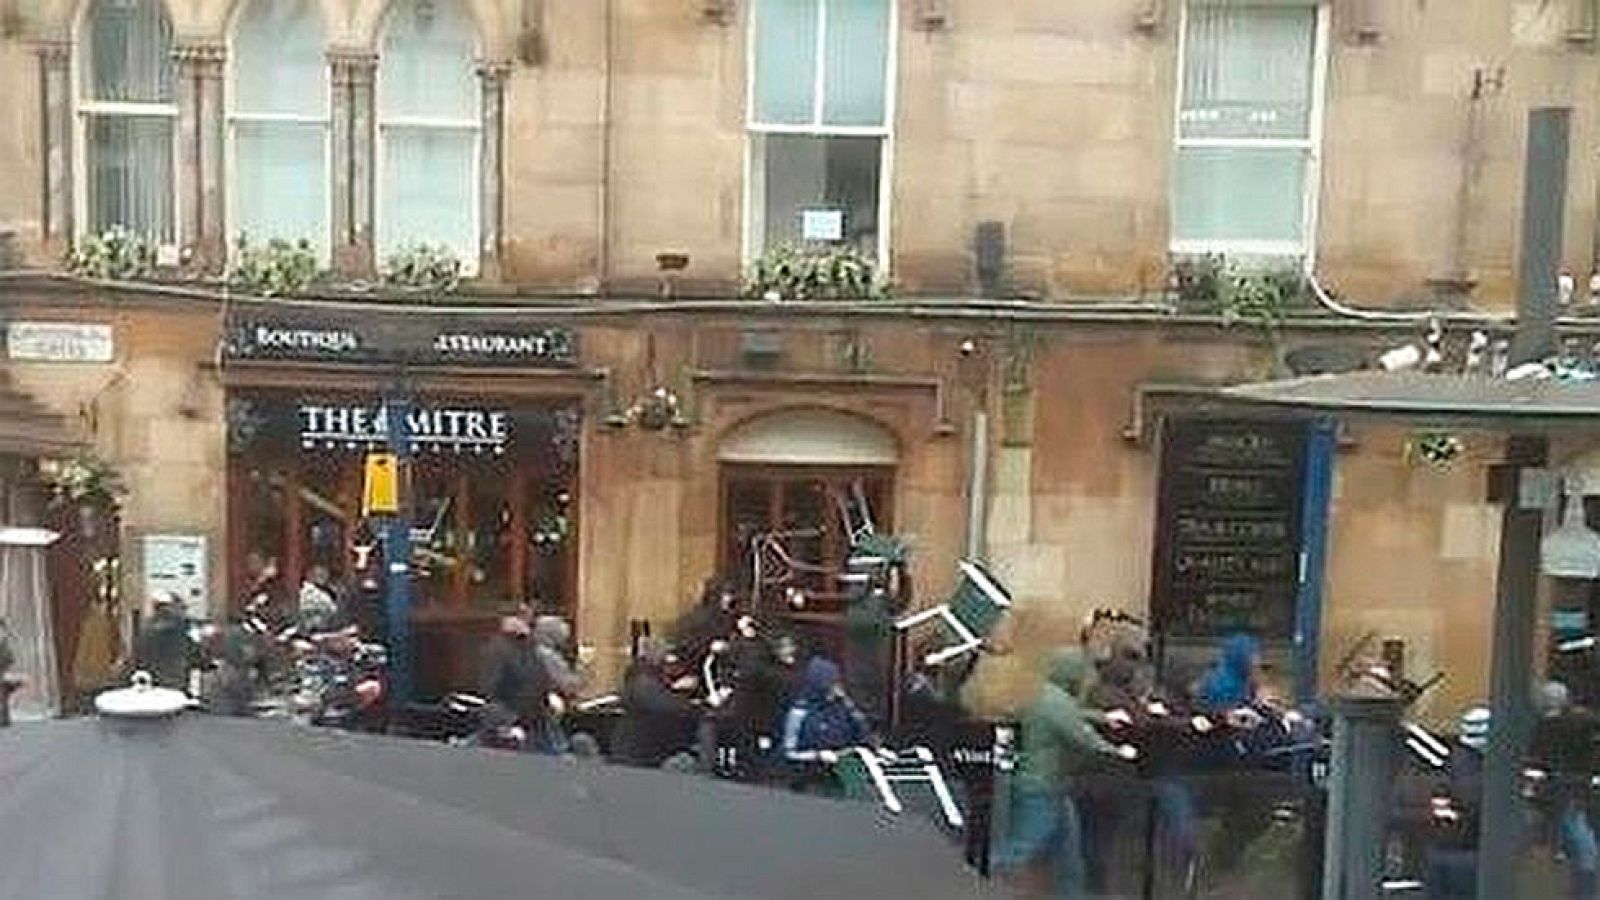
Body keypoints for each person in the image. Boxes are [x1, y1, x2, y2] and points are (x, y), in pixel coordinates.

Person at [995, 647, 1137, 899]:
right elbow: (1081, 736)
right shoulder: (1056, 700)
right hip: (1044, 785)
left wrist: (1102, 717)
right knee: (1023, 847)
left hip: (1047, 784)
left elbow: (1072, 715)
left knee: (1068, 855)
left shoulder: (1042, 694)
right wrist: (1117, 750)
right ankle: (979, 884)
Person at [1529, 681, 1600, 900]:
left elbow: (1537, 759)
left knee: (1568, 835)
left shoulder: (1542, 727)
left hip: (1556, 787)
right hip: (1579, 786)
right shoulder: (1585, 721)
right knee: (1579, 837)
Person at [1425, 707, 1490, 900]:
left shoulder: (1450, 762)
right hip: (1468, 850)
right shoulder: (1476, 769)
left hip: (1444, 847)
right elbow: (1474, 803)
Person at [613, 637, 700, 768]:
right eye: (662, 653)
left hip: (642, 746)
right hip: (640, 748)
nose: (665, 658)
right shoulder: (643, 679)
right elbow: (661, 704)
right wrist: (690, 707)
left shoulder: (647, 677)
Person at [781, 656, 874, 767]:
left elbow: (862, 734)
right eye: (831, 685)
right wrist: (817, 756)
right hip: (809, 774)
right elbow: (789, 753)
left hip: (843, 770)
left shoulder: (843, 708)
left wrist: (877, 748)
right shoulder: (800, 712)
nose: (835, 689)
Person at [477, 605, 548, 748]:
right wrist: (506, 720)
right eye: (521, 618)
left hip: (534, 720)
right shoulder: (497, 649)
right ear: (507, 621)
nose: (526, 623)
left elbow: (539, 676)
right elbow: (489, 687)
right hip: (511, 720)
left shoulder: (528, 647)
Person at [531, 614, 588, 754]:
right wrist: (583, 666)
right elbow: (570, 686)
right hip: (550, 714)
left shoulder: (531, 652)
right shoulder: (549, 657)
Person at [132, 593, 198, 690]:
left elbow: (138, 653)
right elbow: (194, 652)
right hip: (176, 679)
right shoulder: (182, 626)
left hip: (150, 679)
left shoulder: (146, 627)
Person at [297, 564, 339, 632]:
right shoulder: (312, 593)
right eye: (320, 575)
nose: (324, 577)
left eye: (323, 575)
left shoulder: (328, 593)